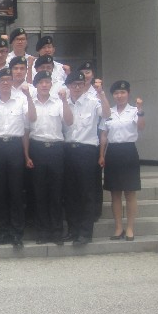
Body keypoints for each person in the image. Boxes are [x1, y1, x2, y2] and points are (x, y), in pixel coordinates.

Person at [0, 68, 36, 248]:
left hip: (15, 146)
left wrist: (29, 97)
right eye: (2, 80)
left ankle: (17, 233)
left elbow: (31, 119)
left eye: (8, 79)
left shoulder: (21, 99)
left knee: (16, 191)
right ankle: (3, 232)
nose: (6, 83)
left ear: (12, 82)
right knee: (0, 192)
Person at [62, 71, 110, 246]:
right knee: (70, 193)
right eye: (73, 84)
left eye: (80, 84)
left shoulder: (93, 101)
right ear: (68, 86)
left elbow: (106, 114)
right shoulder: (63, 102)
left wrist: (101, 93)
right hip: (68, 150)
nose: (77, 87)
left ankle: (85, 233)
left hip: (87, 151)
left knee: (86, 193)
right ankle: (72, 230)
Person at [26, 70, 73, 244]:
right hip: (37, 148)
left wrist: (65, 101)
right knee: (39, 192)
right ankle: (43, 232)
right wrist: (27, 155)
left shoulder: (59, 103)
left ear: (51, 84)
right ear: (36, 85)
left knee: (56, 192)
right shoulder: (30, 103)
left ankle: (57, 232)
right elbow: (28, 126)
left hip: (56, 149)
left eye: (47, 82)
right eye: (41, 82)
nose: (45, 85)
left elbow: (69, 121)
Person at [100, 81, 145, 241]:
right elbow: (104, 135)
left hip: (129, 152)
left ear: (128, 93)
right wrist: (101, 154)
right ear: (113, 95)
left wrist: (140, 111)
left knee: (130, 192)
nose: (119, 96)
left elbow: (141, 127)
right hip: (112, 152)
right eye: (116, 93)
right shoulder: (109, 112)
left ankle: (130, 228)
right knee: (115, 193)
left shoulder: (134, 111)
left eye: (122, 92)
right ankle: (118, 227)